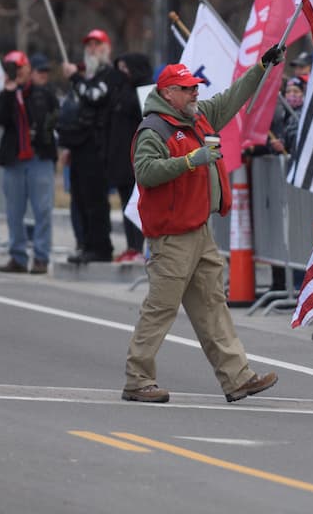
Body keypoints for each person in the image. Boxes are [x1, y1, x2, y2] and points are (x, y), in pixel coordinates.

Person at [121, 48, 286, 404]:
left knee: (212, 306)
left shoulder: (197, 118)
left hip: (198, 230)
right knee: (161, 309)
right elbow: (146, 173)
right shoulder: (154, 128)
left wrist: (261, 67)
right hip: (172, 236)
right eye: (187, 88)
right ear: (168, 94)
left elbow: (233, 97)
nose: (196, 92)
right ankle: (137, 379)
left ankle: (237, 378)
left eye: (195, 86)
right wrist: (189, 161)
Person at [61, 29, 126, 263]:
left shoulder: (109, 75)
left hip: (97, 148)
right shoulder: (85, 76)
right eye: (88, 45)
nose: (91, 49)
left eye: (96, 44)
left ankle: (100, 247)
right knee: (79, 197)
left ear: (106, 48)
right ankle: (87, 243)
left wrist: (75, 78)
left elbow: (95, 96)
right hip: (79, 146)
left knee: (95, 198)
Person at [0, 51, 58, 274]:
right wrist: (9, 92)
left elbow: (50, 119)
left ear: (28, 68)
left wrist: (25, 92)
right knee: (14, 211)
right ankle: (18, 256)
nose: (17, 72)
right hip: (14, 158)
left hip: (39, 157)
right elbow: (2, 119)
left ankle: (41, 257)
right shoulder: (6, 93)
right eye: (12, 68)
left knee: (42, 209)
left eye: (19, 67)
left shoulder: (42, 93)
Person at [111, 53, 152, 263]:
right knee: (126, 202)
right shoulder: (121, 89)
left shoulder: (146, 89)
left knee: (139, 204)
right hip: (122, 157)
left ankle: (140, 246)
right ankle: (131, 246)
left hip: (139, 157)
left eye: (126, 69)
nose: (123, 73)